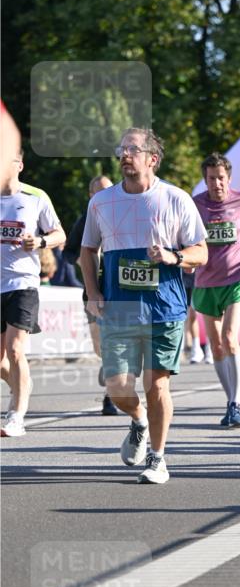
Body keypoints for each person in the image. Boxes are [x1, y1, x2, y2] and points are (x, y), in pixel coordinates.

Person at [80, 128, 208, 484]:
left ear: (152, 158)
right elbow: (87, 251)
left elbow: (201, 251)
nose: (124, 155)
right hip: (118, 310)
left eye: (132, 149)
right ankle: (138, 420)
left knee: (157, 388)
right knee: (118, 388)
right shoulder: (101, 202)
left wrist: (173, 255)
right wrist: (93, 292)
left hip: (163, 309)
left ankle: (158, 458)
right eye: (121, 150)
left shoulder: (176, 198)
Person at [192, 153, 240, 428]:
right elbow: (182, 234)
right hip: (205, 282)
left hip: (237, 277)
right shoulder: (196, 204)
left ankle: (236, 402)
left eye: (221, 178)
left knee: (230, 337)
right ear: (205, 180)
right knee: (216, 346)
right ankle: (230, 400)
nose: (217, 184)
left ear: (229, 178)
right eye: (211, 179)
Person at [1, 149, 66, 437]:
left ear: (20, 164)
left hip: (23, 283)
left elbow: (59, 235)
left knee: (15, 350)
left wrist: (39, 241)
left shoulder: (35, 196)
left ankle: (16, 415)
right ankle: (22, 386)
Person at [64, 174, 120, 415]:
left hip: (118, 291)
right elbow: (67, 252)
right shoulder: (85, 220)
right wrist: (83, 262)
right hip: (91, 292)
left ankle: (110, 397)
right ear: (91, 196)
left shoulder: (123, 216)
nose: (104, 196)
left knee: (116, 344)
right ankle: (106, 365)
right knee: (101, 348)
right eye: (99, 192)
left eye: (108, 190)